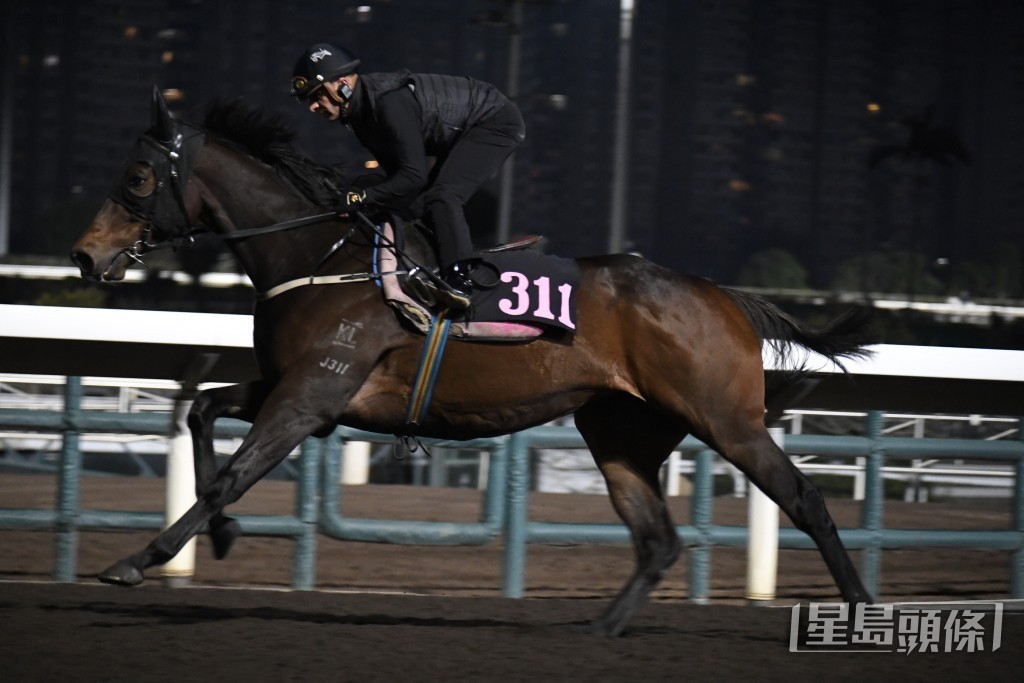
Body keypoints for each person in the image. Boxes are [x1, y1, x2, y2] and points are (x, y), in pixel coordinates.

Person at [290, 42, 526, 310]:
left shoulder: (389, 103)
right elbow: (401, 183)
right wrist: (362, 195)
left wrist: (362, 196)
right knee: (410, 201)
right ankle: (433, 263)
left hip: (494, 121)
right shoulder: (359, 117)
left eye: (316, 95)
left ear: (342, 85)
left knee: (442, 196)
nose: (312, 106)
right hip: (455, 133)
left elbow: (413, 176)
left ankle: (460, 279)